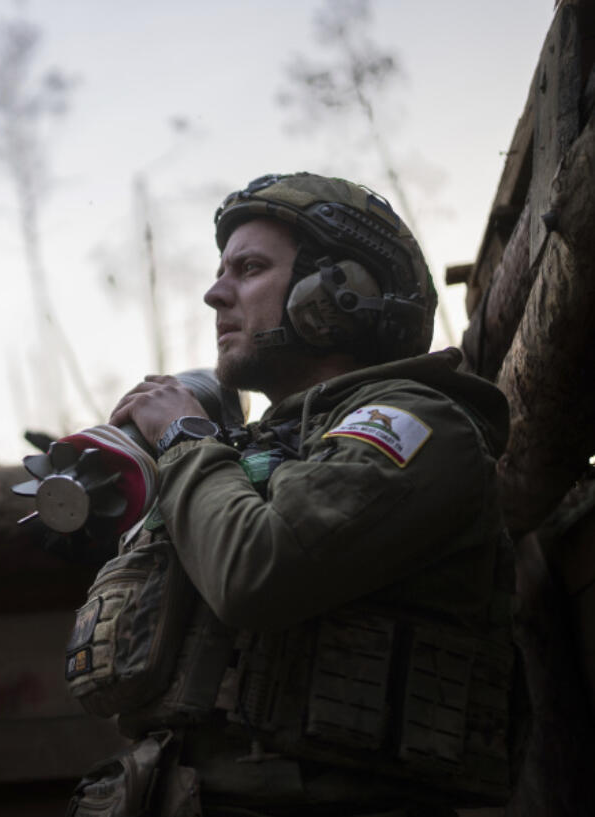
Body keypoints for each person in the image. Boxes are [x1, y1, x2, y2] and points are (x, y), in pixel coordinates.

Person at [66, 173, 514, 816]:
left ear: (341, 293)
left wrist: (185, 436)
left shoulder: (418, 424)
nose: (215, 293)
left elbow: (257, 568)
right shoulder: (251, 451)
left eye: (248, 268)